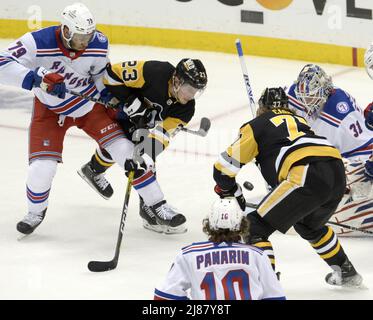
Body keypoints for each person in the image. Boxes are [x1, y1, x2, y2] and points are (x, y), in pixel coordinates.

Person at [0, 3, 173, 235]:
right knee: (42, 169)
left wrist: (119, 102)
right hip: (50, 111)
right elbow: (2, 63)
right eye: (81, 36)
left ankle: (158, 204)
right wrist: (37, 79)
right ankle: (35, 211)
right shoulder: (37, 42)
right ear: (66, 30)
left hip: (90, 107)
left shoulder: (98, 43)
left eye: (88, 35)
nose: (85, 41)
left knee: (126, 151)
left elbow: (103, 77)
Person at [213, 87, 363, 287]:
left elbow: (222, 168)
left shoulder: (256, 125)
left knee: (254, 226)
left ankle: (267, 285)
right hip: (336, 170)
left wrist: (234, 193)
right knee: (309, 226)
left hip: (305, 172)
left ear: (261, 108)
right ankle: (346, 272)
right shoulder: (300, 121)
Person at [77, 58, 208, 234]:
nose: (191, 95)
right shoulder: (154, 71)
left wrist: (145, 158)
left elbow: (161, 135)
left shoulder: (186, 109)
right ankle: (150, 207)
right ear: (177, 80)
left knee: (141, 157)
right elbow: (111, 74)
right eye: (189, 89)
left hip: (138, 123)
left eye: (196, 91)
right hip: (113, 108)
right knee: (124, 147)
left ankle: (93, 169)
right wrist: (130, 101)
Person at [286, 64, 373, 235]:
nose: (306, 102)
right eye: (304, 97)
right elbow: (280, 100)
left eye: (311, 98)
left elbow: (365, 144)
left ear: (324, 92)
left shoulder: (341, 113)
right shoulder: (297, 93)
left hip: (354, 157)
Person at [154, 198, 285, 300]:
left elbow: (163, 297)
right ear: (242, 224)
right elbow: (275, 297)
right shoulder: (257, 255)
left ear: (209, 223)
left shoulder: (189, 254)